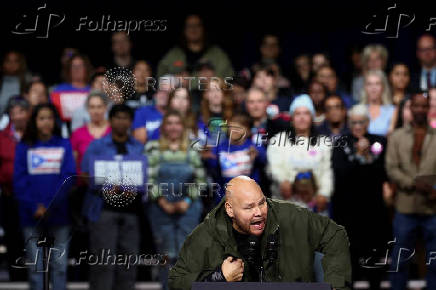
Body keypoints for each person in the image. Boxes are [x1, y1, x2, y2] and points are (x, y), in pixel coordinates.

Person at [168, 176, 352, 289]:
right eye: (249, 207)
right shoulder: (206, 235)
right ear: (230, 210)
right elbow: (177, 282)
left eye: (261, 203)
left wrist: (336, 285)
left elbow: (335, 234)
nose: (259, 212)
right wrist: (218, 278)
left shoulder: (290, 217)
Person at [81, 104, 144, 290]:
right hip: (102, 211)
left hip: (132, 212)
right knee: (103, 262)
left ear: (131, 122)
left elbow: (145, 176)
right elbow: (85, 176)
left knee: (128, 263)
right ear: (110, 121)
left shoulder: (139, 148)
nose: (121, 121)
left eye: (125, 118)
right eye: (117, 117)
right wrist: (108, 185)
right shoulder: (97, 146)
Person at [13, 103, 76, 290]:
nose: (46, 122)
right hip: (31, 216)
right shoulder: (24, 147)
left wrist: (49, 205)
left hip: (60, 215)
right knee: (36, 269)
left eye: (49, 118)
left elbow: (69, 177)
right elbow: (19, 180)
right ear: (34, 121)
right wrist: (35, 207)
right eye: (42, 118)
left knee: (59, 267)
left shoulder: (64, 144)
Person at [332, 104, 391, 289]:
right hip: (349, 211)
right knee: (350, 260)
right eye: (354, 122)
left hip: (374, 210)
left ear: (368, 123)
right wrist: (358, 155)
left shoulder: (379, 142)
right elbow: (341, 175)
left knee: (374, 260)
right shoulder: (341, 142)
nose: (358, 126)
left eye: (361, 122)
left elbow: (382, 172)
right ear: (349, 123)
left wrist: (366, 157)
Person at [146, 110, 206, 290]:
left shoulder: (193, 148)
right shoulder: (152, 148)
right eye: (169, 123)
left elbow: (201, 181)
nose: (173, 127)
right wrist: (163, 201)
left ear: (183, 127)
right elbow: (148, 180)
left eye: (177, 123)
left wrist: (186, 201)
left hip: (188, 208)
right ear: (164, 127)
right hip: (160, 208)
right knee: (165, 255)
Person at [386, 92, 436, 290]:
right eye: (416, 106)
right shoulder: (397, 137)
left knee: (434, 262)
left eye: (424, 106)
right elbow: (392, 169)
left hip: (432, 208)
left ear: (429, 108)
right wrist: (415, 183)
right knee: (400, 261)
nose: (420, 110)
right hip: (405, 207)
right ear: (410, 108)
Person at [267, 94, 333, 213]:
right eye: (298, 114)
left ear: (312, 117)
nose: (302, 118)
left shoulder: (324, 142)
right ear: (292, 118)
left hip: (315, 206)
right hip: (287, 204)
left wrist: (324, 194)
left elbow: (327, 171)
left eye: (306, 113)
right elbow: (273, 168)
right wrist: (282, 181)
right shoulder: (277, 141)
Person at [204, 113, 266, 204]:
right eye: (232, 127)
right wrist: (208, 158)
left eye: (239, 127)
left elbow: (263, 160)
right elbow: (213, 168)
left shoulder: (253, 146)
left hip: (249, 197)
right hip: (225, 197)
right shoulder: (220, 147)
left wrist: (257, 155)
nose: (234, 130)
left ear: (248, 131)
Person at [0, 96, 30, 281]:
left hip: (34, 199)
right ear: (9, 114)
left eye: (22, 111)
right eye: (14, 112)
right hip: (9, 197)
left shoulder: (36, 135)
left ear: (28, 113)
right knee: (13, 239)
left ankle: (37, 278)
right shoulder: (2, 137)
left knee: (34, 239)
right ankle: (16, 278)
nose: (18, 116)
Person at [157, 14, 234, 79]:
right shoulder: (173, 54)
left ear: (203, 29)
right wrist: (175, 79)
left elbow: (229, 79)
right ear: (184, 30)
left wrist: (214, 78)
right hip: (180, 95)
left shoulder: (217, 54)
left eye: (197, 25)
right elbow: (160, 77)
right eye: (189, 26)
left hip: (211, 95)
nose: (193, 29)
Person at [71, 91, 111, 175]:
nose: (96, 111)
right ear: (87, 109)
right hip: (84, 183)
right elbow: (73, 163)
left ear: (106, 108)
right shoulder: (78, 133)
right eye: (92, 107)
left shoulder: (113, 131)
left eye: (99, 107)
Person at [50, 54, 92, 127]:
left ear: (86, 69)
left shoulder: (93, 91)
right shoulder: (58, 91)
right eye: (74, 66)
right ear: (69, 69)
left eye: (80, 66)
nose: (77, 69)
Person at [360, 70, 395, 136]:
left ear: (383, 87)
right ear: (365, 87)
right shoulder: (358, 109)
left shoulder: (392, 110)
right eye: (369, 84)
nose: (373, 88)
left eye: (377, 84)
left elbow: (390, 136)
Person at [0, 51, 30, 115]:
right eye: (8, 61)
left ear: (21, 63)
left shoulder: (28, 81)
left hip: (19, 122)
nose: (12, 64)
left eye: (15, 61)